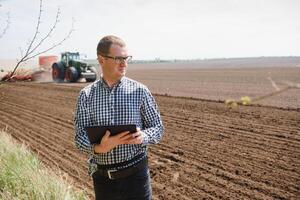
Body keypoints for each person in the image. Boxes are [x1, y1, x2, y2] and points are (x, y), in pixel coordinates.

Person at [74, 35, 164, 200]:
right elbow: (80, 138)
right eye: (118, 58)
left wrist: (142, 136)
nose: (124, 63)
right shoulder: (86, 95)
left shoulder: (140, 91)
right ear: (101, 60)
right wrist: (100, 148)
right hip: (103, 181)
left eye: (126, 58)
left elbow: (158, 128)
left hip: (137, 178)